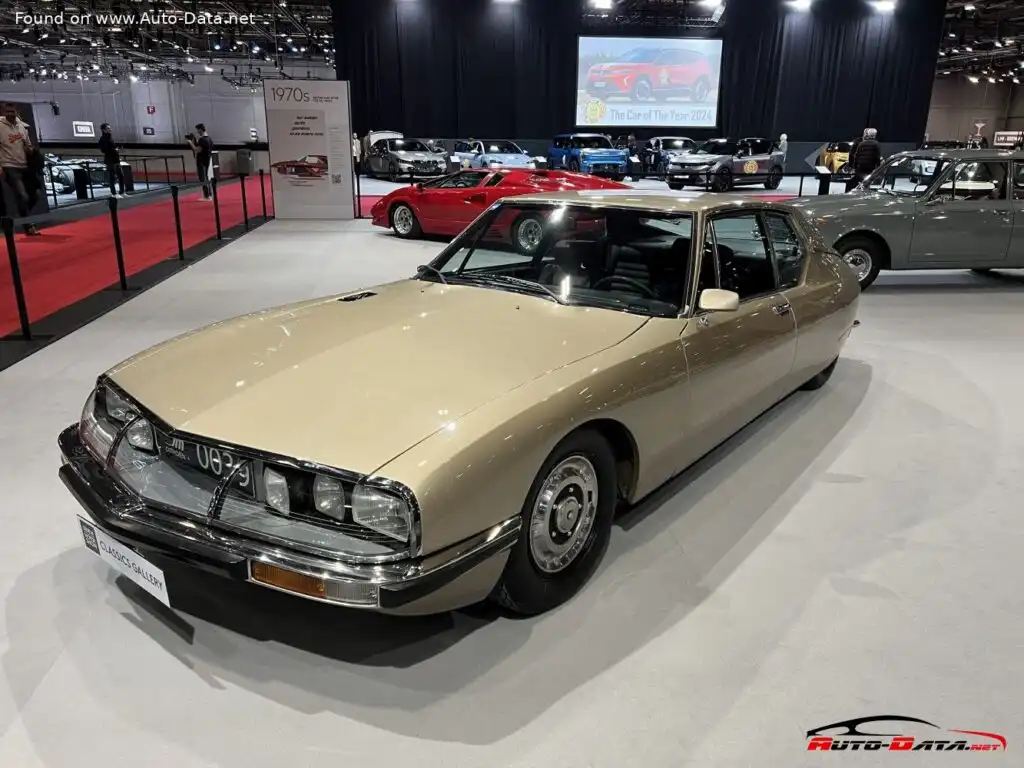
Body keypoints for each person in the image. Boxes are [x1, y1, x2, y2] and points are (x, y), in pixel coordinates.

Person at [0, 102, 41, 235]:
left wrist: (29, 149)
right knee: (22, 196)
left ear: (16, 112)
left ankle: (22, 215)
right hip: (10, 166)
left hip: (25, 165)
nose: (10, 114)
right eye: (7, 112)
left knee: (35, 195)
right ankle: (29, 226)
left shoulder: (22, 126)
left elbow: (28, 144)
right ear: (3, 112)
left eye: (12, 111)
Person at [187, 123, 214, 200]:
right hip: (207, 159)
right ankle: (209, 194)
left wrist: (190, 143)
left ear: (200, 130)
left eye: (198, 130)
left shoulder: (202, 140)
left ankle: (206, 195)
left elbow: (197, 150)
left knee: (203, 178)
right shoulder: (209, 138)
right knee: (206, 177)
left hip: (201, 161)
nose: (197, 131)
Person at [98, 123, 124, 198]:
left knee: (120, 176)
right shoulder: (103, 139)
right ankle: (114, 193)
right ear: (103, 130)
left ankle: (122, 192)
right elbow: (103, 150)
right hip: (110, 160)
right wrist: (114, 150)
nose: (110, 129)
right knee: (112, 177)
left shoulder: (110, 137)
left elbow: (112, 147)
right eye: (108, 128)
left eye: (110, 128)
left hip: (116, 159)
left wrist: (117, 149)